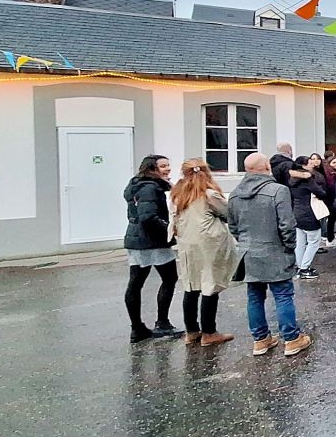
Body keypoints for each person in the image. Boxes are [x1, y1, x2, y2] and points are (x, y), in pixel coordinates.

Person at [229, 153, 312, 357]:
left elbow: (233, 226)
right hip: (275, 250)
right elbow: (287, 224)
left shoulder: (235, 193)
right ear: (267, 166)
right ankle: (291, 339)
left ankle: (260, 340)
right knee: (283, 296)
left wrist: (246, 242)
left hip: (249, 252)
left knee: (254, 297)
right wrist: (289, 247)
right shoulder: (278, 191)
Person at [171, 158, 240, 347]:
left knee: (191, 285)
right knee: (210, 285)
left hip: (187, 244)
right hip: (209, 244)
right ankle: (209, 332)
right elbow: (228, 213)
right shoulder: (209, 194)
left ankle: (191, 330)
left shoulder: (178, 194)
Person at [123, 154, 182, 343]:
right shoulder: (150, 188)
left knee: (136, 283)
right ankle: (162, 323)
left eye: (168, 165)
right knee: (169, 278)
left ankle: (137, 328)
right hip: (153, 241)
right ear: (151, 169)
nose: (168, 169)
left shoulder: (137, 185)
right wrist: (170, 229)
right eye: (163, 166)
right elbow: (148, 217)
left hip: (136, 239)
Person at [289, 156, 326, 279]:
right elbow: (321, 192)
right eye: (309, 163)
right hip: (309, 213)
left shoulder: (292, 179)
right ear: (303, 166)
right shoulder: (308, 179)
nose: (312, 165)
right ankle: (305, 268)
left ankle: (299, 266)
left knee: (300, 242)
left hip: (297, 212)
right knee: (314, 242)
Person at [321, 154, 336, 246]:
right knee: (331, 220)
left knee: (332, 220)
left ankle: (329, 237)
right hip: (330, 200)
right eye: (334, 162)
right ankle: (330, 239)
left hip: (333, 199)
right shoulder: (330, 174)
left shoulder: (335, 173)